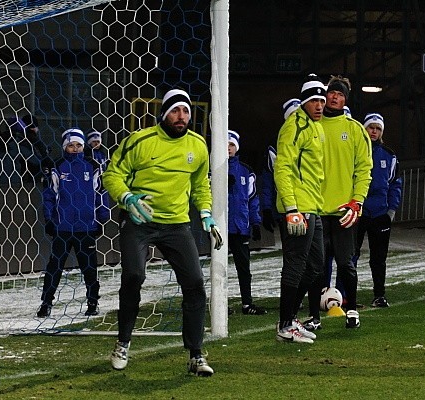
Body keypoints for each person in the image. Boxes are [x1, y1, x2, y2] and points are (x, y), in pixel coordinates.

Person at [102, 88, 223, 376]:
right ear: (164, 113)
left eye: (185, 111)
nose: (181, 116)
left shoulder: (198, 145)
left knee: (195, 283)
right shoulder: (140, 141)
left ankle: (196, 355)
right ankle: (123, 342)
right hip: (139, 222)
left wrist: (206, 212)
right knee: (134, 276)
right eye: (175, 110)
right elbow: (112, 174)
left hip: (177, 224)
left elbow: (200, 184)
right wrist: (128, 198)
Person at [317, 75, 373, 329]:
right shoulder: (313, 126)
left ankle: (351, 310)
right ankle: (313, 315)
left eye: (340, 94)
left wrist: (357, 201)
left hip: (344, 211)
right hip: (316, 208)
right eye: (332, 92)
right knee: (316, 266)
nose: (335, 97)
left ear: (345, 99)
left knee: (346, 264)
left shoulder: (355, 130)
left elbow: (364, 170)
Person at [274, 74, 326, 343]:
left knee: (316, 265)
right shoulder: (294, 127)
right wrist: (291, 207)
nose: (319, 105)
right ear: (304, 102)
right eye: (314, 100)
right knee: (295, 265)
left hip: (312, 205)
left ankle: (290, 319)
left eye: (321, 100)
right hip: (298, 207)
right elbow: (282, 167)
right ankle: (285, 325)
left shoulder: (315, 127)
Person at [37, 128, 110, 318]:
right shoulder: (57, 166)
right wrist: (49, 219)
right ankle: (46, 303)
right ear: (64, 147)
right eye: (71, 145)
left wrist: (102, 217)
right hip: (63, 227)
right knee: (55, 266)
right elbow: (49, 196)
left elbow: (101, 193)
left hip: (86, 226)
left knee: (89, 267)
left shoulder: (93, 166)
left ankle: (93, 302)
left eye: (79, 145)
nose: (75, 149)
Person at [354, 113, 402, 308]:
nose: (374, 131)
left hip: (380, 213)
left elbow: (395, 184)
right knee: (351, 256)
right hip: (358, 212)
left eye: (378, 128)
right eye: (370, 127)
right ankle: (349, 296)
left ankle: (379, 294)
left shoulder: (389, 156)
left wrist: (391, 211)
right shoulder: (355, 151)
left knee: (379, 258)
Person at [227, 130, 266, 315]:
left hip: (240, 226)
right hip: (220, 228)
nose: (228, 148)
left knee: (244, 268)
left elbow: (252, 199)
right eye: (225, 144)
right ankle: (219, 304)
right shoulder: (211, 168)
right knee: (219, 269)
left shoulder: (246, 170)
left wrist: (255, 222)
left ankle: (247, 303)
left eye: (231, 145)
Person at [260, 98, 301, 234]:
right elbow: (268, 182)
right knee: (293, 251)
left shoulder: (316, 139)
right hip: (285, 207)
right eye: (292, 115)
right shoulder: (275, 147)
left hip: (312, 205)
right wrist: (266, 209)